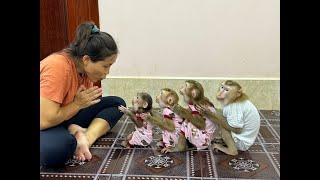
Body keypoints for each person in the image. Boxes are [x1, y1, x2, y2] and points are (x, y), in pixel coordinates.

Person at [40, 21, 126, 167]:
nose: (107, 73)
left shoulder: (84, 70)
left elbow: (76, 107)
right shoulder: (58, 67)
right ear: (86, 59)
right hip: (44, 122)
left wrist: (82, 134)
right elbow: (43, 121)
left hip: (63, 117)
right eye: (105, 66)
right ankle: (72, 134)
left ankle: (85, 138)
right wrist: (77, 104)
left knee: (118, 104)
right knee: (58, 150)